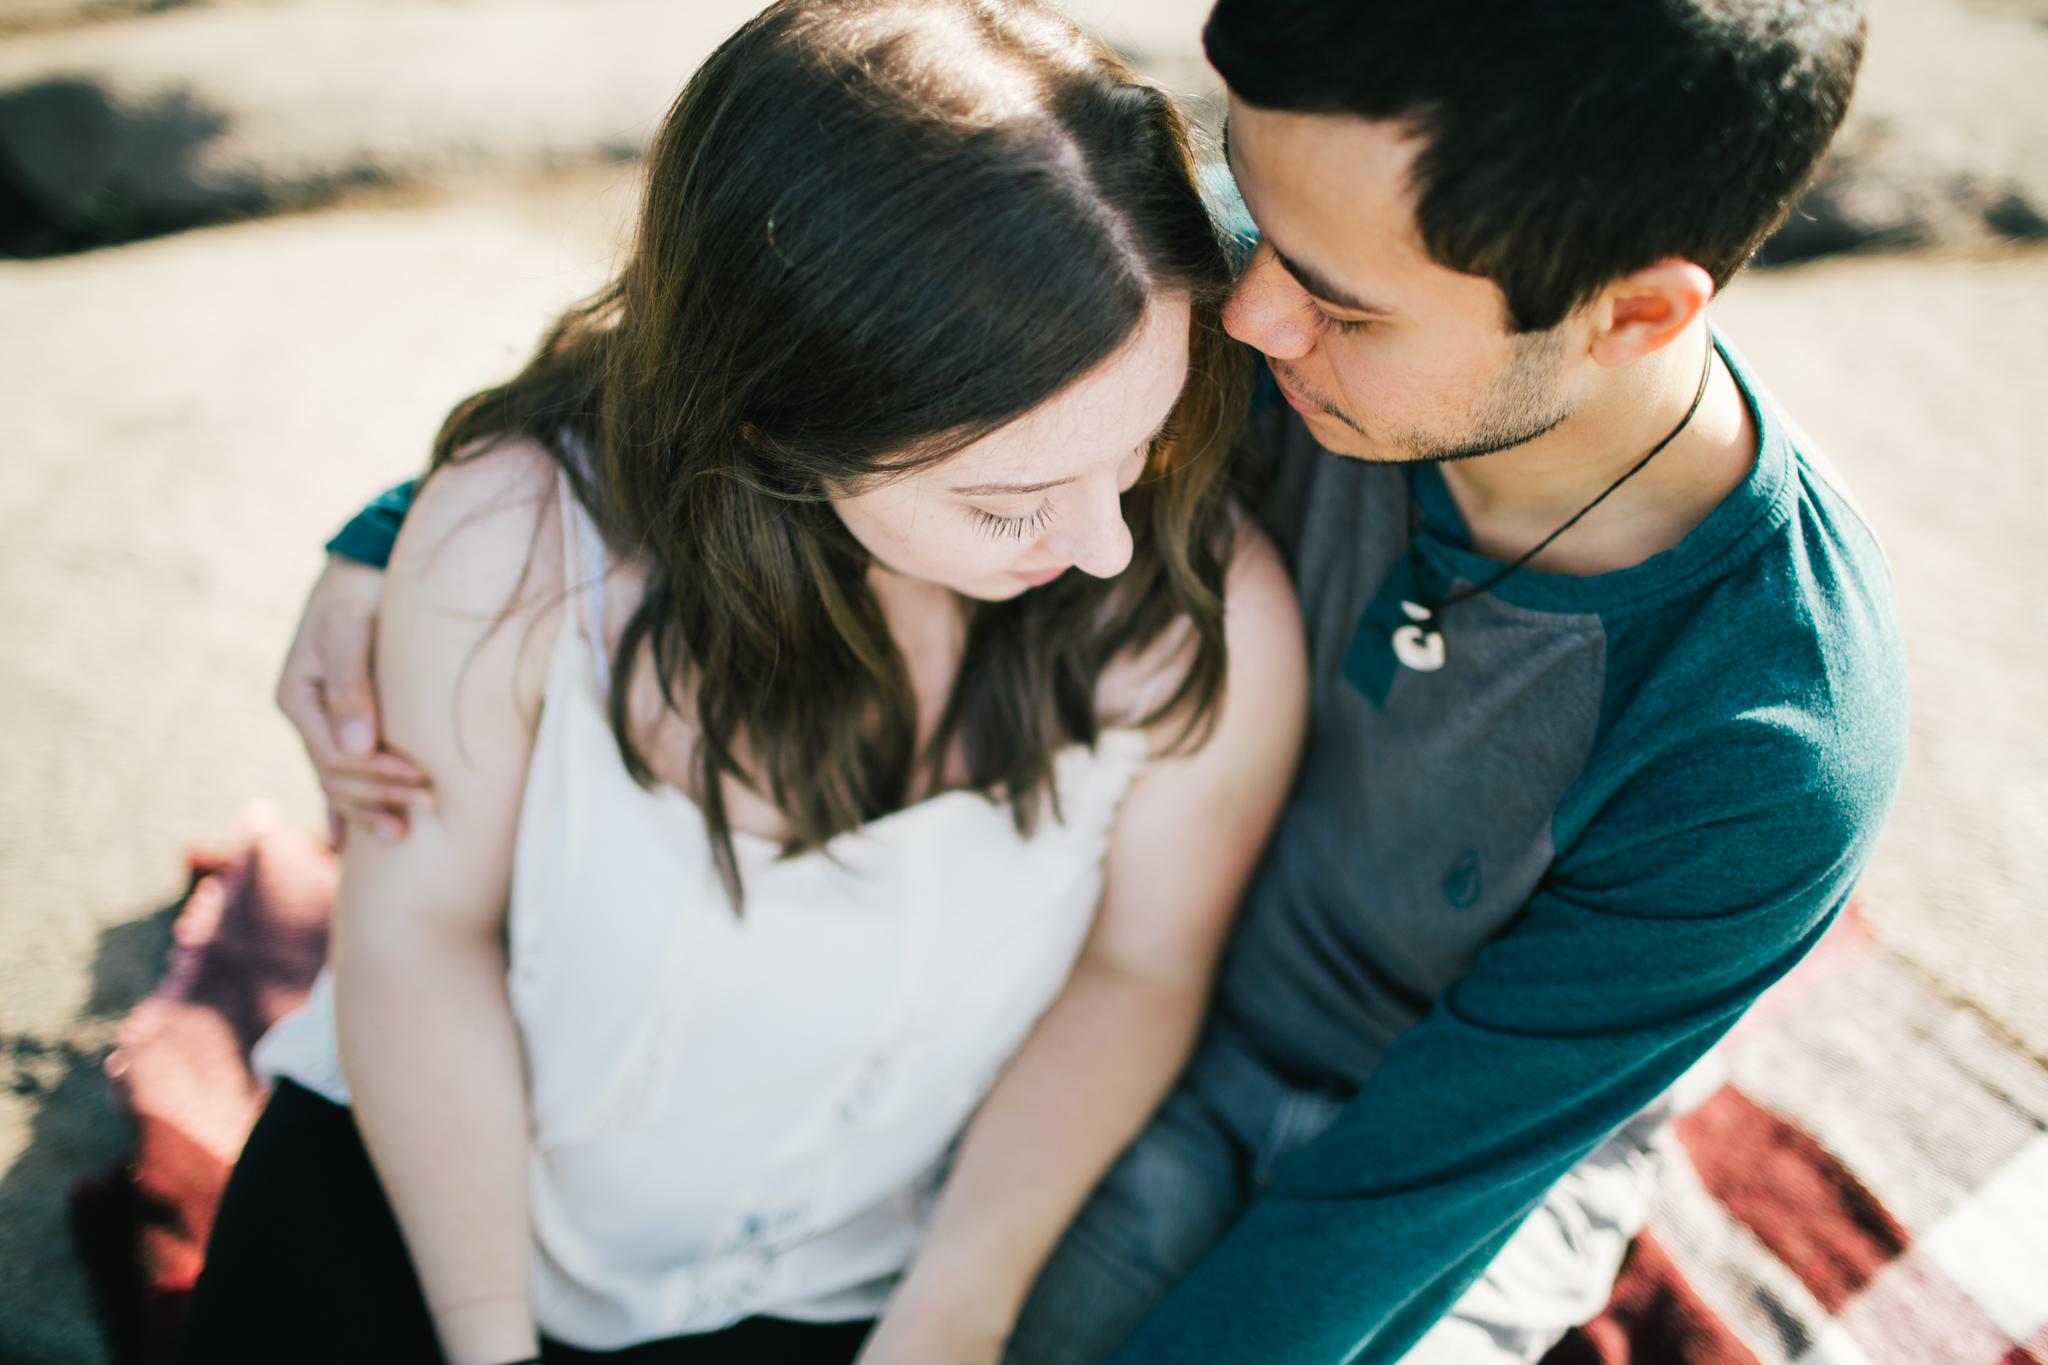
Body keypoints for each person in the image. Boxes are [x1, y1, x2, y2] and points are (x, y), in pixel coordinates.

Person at [282, 0, 1912, 1362]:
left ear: (1633, 313)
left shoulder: (1767, 739)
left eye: (1334, 299)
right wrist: (410, 532)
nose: (1245, 315)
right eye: (1248, 215)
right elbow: (846, 274)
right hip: (1071, 1010)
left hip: (1413, 1148)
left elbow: (1402, 1200)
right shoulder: (1289, 303)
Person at [178, 2, 1309, 1363]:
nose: (1106, 543)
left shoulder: (1196, 605)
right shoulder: (514, 544)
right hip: (420, 1210)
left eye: (1134, 449)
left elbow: (1139, 968)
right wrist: (486, 1346)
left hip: (835, 1289)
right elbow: (422, 938)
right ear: (780, 421)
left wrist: (951, 1315)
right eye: (1009, 503)